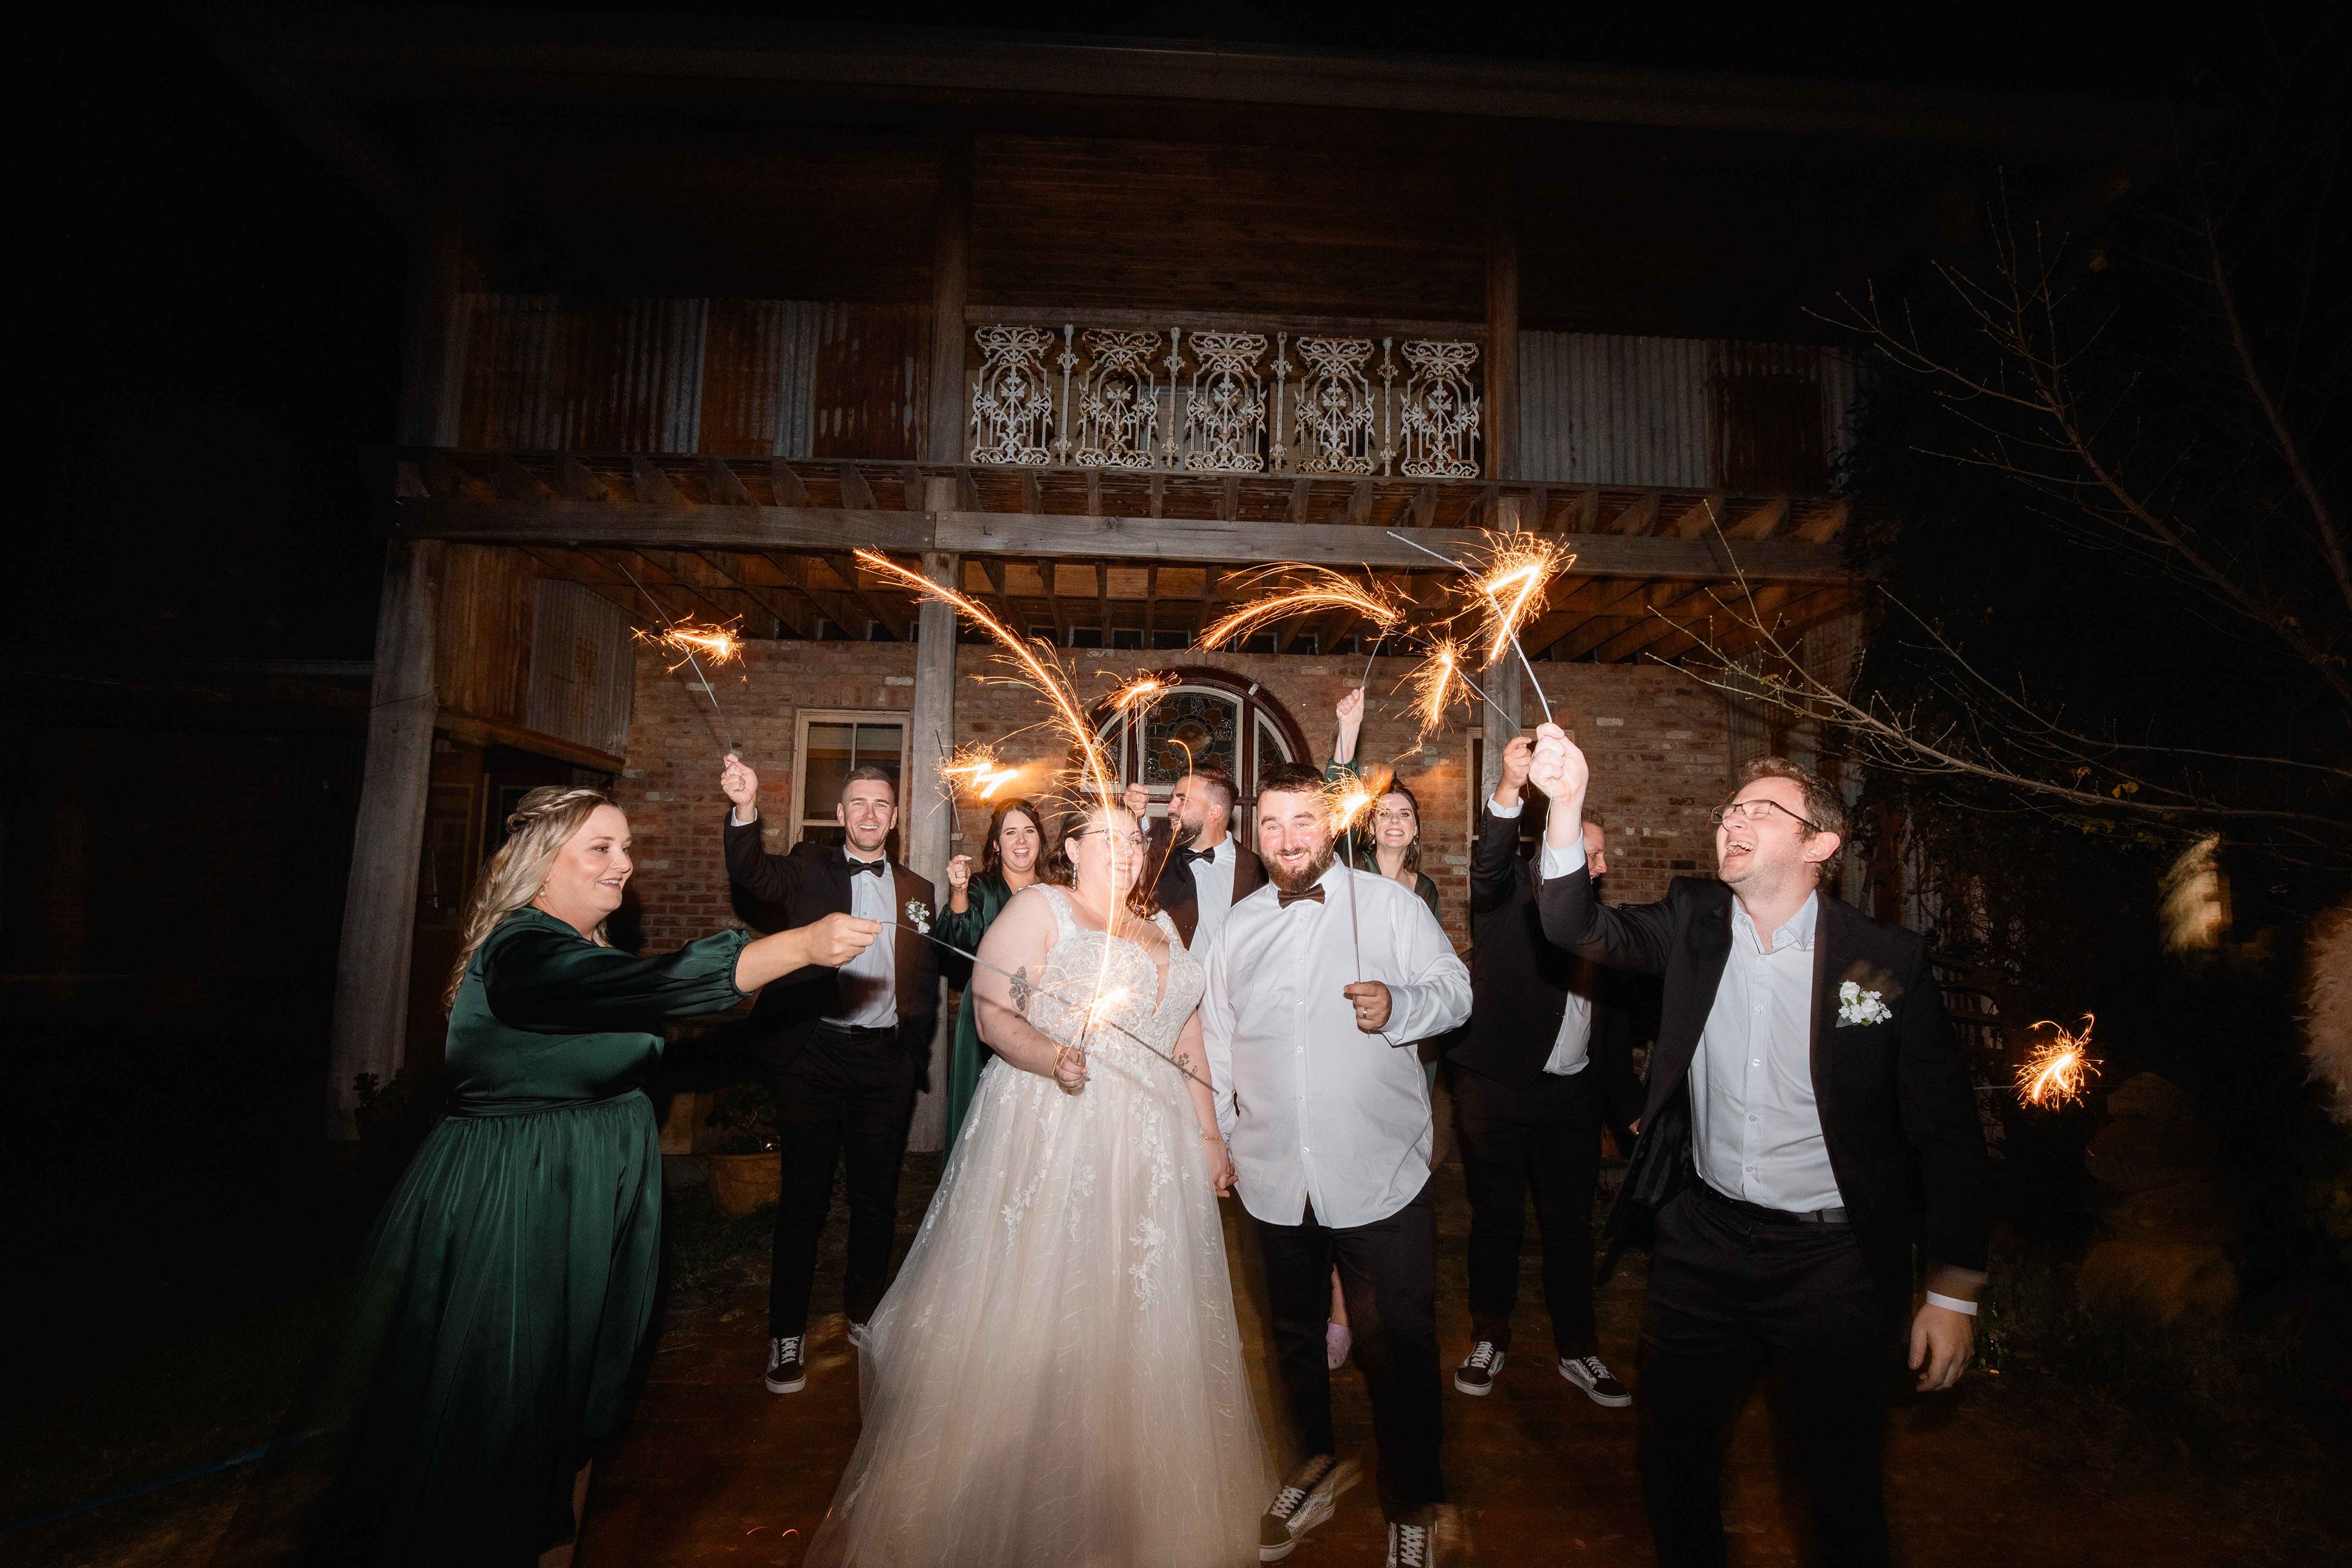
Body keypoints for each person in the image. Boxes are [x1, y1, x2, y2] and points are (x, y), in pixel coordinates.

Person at [324, 786, 878, 1566]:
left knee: (582, 1409)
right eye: (602, 848)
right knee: (510, 1422)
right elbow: (655, 987)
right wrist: (800, 945)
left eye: (626, 847)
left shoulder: (586, 955)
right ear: (541, 865)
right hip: (521, 1207)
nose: (626, 865)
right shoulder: (520, 951)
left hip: (593, 1203)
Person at [1526, 725, 1990, 1568]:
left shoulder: (1882, 963)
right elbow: (1570, 924)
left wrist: (1953, 1290)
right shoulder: (1693, 921)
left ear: (1820, 844)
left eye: (1761, 812)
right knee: (1673, 1465)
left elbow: (1948, 1135)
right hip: (1701, 1243)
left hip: (1834, 1261)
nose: (1732, 822)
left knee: (1839, 1486)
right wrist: (1564, 807)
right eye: (1730, 808)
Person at [805, 797, 1273, 1567]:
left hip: (1156, 1152)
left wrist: (1211, 1133)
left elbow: (1187, 1037)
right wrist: (1047, 1056)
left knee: (1143, 1315)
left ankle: (1132, 1502)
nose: (1126, 852)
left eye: (1135, 841)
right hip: (1062, 1128)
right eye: (1110, 839)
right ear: (1075, 848)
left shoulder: (1165, 927)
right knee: (1053, 1304)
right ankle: (1023, 1495)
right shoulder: (1043, 908)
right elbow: (993, 1009)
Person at [1202, 762, 1474, 1568]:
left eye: (1304, 822)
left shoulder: (1388, 906)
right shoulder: (1239, 927)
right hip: (1273, 1175)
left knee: (1400, 1344)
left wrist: (1401, 1006)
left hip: (1379, 1172)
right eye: (1275, 825)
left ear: (1332, 825)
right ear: (1259, 835)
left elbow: (1455, 991)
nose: (1289, 840)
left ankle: (1414, 1498)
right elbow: (1215, 1039)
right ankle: (1312, 1464)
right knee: (1291, 1338)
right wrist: (1219, 1136)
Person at [718, 755, 940, 1398]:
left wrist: (910, 1047)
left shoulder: (917, 891)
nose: (870, 814)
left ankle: (864, 1314)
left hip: (883, 1062)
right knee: (804, 1199)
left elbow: (923, 972)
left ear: (894, 819)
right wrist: (744, 808)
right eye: (858, 804)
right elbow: (749, 870)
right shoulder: (808, 867)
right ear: (840, 814)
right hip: (812, 1054)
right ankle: (785, 1332)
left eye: (882, 805)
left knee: (876, 1198)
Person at [1449, 734, 1645, 1404]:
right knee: (1496, 1219)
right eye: (1590, 851)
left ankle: (1579, 1349)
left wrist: (1630, 1107)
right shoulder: (1507, 900)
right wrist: (1509, 787)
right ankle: (1489, 1336)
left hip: (1573, 1100)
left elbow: (1614, 1031)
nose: (1601, 862)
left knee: (1570, 1226)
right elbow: (1489, 862)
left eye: (1598, 854)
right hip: (1495, 1088)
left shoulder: (1604, 929)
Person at [933, 796, 1047, 1144]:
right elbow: (955, 946)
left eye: (1029, 830)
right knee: (986, 1127)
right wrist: (959, 891)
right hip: (988, 1010)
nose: (1022, 841)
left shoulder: (1056, 889)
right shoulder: (982, 887)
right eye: (1010, 833)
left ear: (1041, 838)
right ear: (996, 844)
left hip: (1045, 1013)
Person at [1327, 686, 1439, 922]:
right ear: (1370, 827)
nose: (1395, 820)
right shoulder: (1352, 865)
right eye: (1384, 814)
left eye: (1405, 814)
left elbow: (1432, 950)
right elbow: (1342, 795)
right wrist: (1349, 728)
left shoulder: (1426, 890)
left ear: (1416, 829)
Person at [1139, 763, 1263, 949]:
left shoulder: (1257, 871)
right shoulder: (1159, 854)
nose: (1169, 808)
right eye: (1173, 798)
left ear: (1214, 812)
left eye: (1182, 800)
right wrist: (1133, 815)